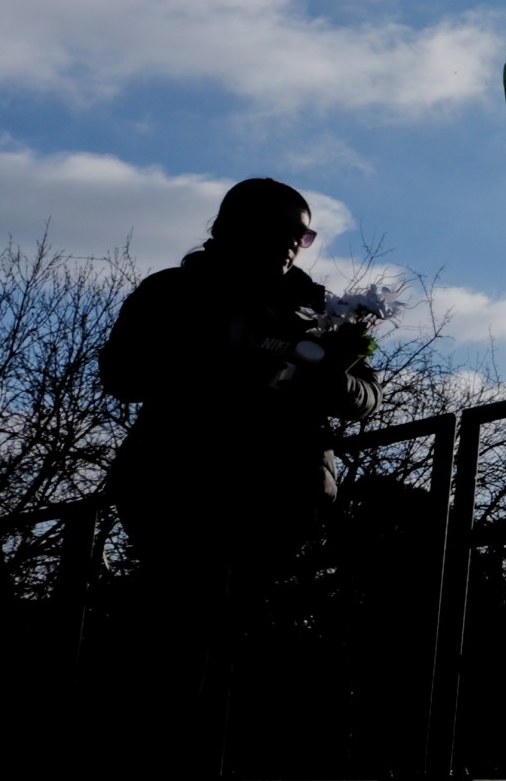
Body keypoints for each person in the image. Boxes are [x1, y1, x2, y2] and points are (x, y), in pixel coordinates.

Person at [100, 176, 382, 777]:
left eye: (302, 233)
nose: (292, 243)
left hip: (282, 494)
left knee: (245, 639)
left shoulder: (321, 309)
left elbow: (364, 397)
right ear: (232, 226)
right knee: (186, 631)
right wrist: (219, 363)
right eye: (281, 227)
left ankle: (225, 763)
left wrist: (321, 379)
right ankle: (165, 762)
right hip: (181, 484)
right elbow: (122, 374)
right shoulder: (174, 291)